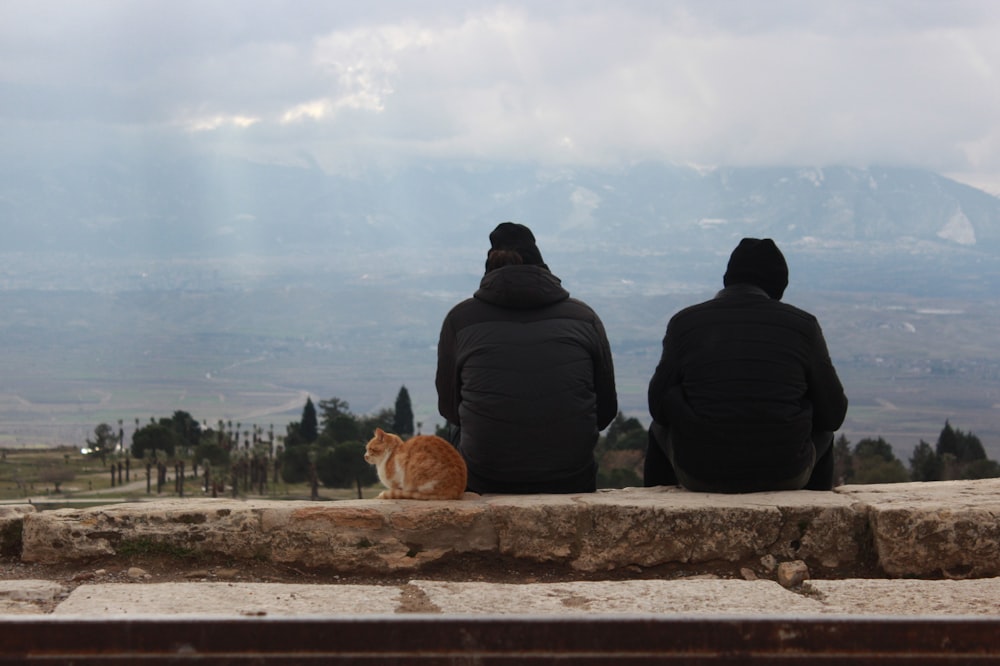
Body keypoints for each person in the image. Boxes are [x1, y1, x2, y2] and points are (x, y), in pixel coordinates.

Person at [644, 237, 847, 493]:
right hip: (786, 472)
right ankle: (817, 518)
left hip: (701, 473)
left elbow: (658, 407)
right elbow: (833, 413)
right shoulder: (803, 326)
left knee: (658, 429)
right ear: (779, 285)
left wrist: (679, 401)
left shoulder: (685, 323)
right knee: (824, 432)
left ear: (728, 277)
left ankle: (657, 515)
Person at [436, 222, 618, 494]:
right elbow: (605, 411)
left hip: (484, 477)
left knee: (456, 431)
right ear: (541, 262)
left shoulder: (460, 320)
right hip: (570, 477)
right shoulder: (583, 318)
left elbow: (450, 409)